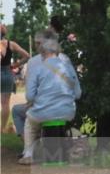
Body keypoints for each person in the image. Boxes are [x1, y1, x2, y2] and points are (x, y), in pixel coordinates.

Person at [14, 29, 82, 165]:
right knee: (46, 114)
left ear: (42, 46)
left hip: (44, 110)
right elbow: (78, 93)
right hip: (68, 111)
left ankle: (28, 154)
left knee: (30, 121)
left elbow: (29, 96)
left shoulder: (34, 63)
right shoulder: (65, 60)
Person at [1, 23, 31, 134]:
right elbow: (27, 56)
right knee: (5, 104)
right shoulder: (11, 44)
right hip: (7, 74)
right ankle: (2, 128)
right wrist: (15, 65)